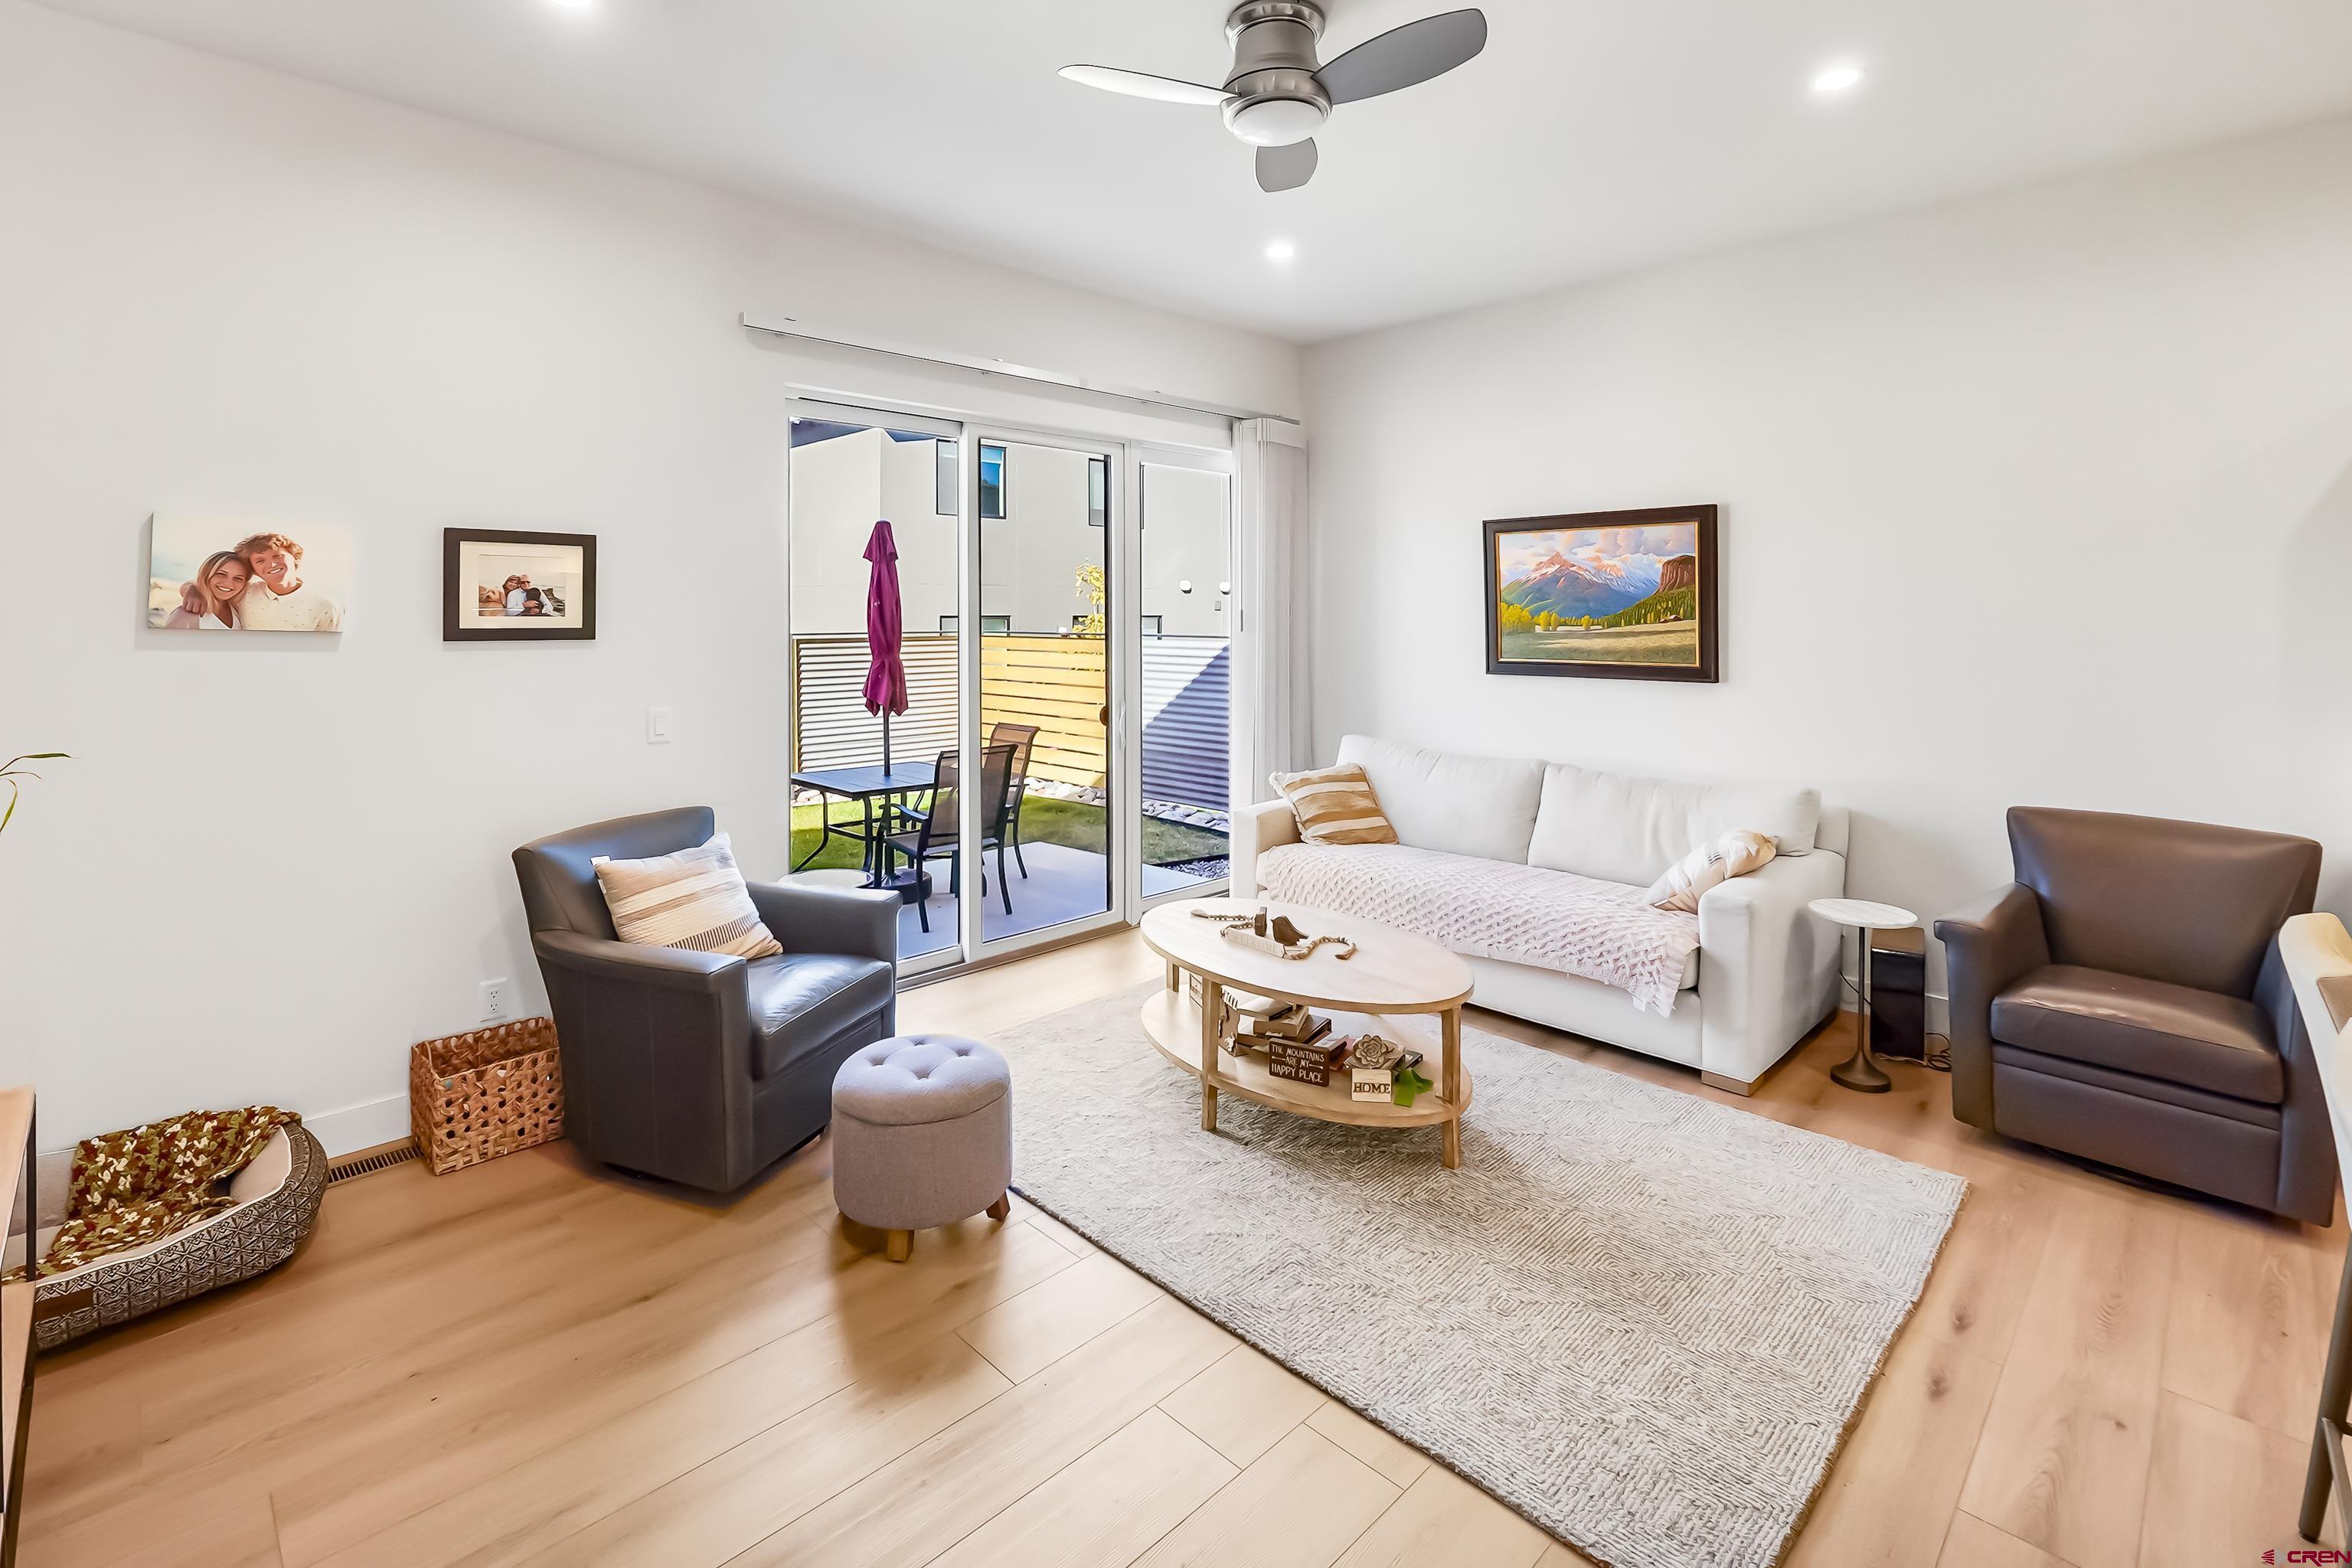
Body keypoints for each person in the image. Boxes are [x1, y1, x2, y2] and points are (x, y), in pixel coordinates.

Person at [228, 531, 342, 631]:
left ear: (295, 558)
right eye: (260, 561)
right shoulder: (243, 593)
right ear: (254, 570)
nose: (272, 564)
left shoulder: (326, 606)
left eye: (277, 556)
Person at [162, 551, 249, 630]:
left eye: (238, 578)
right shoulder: (186, 615)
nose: (229, 583)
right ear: (206, 575)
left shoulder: (237, 609)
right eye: (221, 574)